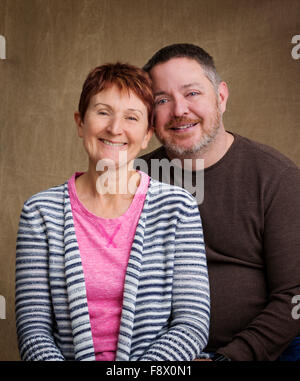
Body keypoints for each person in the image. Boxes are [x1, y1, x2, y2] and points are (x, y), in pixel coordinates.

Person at [15, 62, 210, 361]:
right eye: (103, 112)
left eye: (131, 117)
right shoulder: (40, 213)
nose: (115, 128)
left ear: (147, 135)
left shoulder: (178, 208)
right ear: (81, 123)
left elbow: (191, 325)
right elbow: (33, 331)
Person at [140, 43, 300, 361]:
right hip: (156, 354)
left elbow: (294, 296)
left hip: (265, 352)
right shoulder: (134, 179)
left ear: (221, 97)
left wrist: (232, 358)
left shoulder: (275, 176)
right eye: (162, 99)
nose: (179, 110)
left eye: (192, 93)